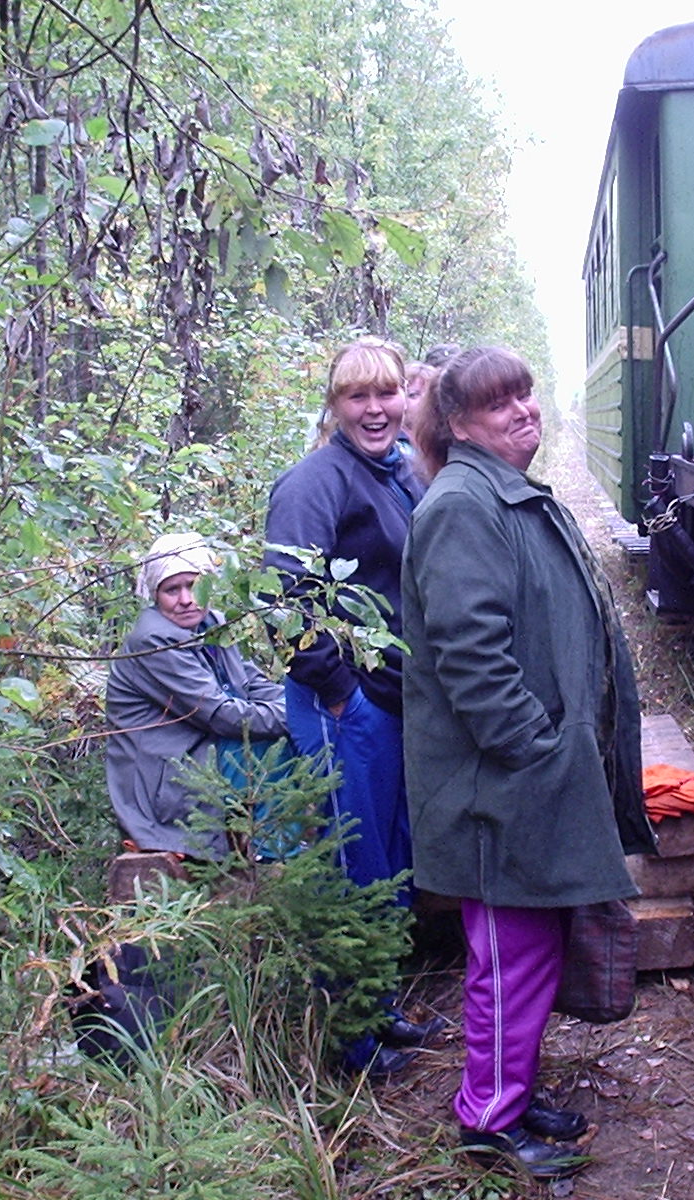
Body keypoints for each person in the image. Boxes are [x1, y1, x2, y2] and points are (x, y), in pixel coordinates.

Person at [402, 346, 656, 1180]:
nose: (523, 411)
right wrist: (534, 750)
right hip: (500, 784)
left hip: (529, 775)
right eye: (497, 403)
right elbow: (472, 658)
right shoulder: (462, 506)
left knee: (533, 949)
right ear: (458, 423)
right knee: (508, 959)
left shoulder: (501, 493)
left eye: (525, 394)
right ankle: (488, 1122)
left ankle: (509, 1090)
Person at [263, 336, 439, 1071]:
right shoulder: (315, 482)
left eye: (386, 393)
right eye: (356, 396)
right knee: (353, 867)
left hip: (390, 698)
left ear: (406, 397)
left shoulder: (398, 471)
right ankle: (351, 1044)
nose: (374, 409)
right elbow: (284, 600)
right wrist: (338, 694)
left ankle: (379, 1006)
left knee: (390, 863)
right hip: (343, 703)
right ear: (334, 405)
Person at [105, 532, 290, 860]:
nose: (186, 599)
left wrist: (301, 705)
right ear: (155, 594)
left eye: (193, 585)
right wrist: (297, 717)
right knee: (271, 747)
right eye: (172, 590)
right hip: (167, 777)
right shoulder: (154, 641)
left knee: (306, 736)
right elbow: (220, 715)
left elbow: (251, 683)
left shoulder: (213, 624)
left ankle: (296, 848)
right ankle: (274, 855)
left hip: (201, 753)